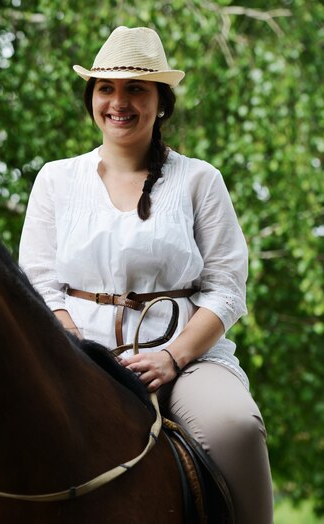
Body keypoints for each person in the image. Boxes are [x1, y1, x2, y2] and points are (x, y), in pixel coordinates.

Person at [18, 26, 273, 523]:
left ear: (161, 102)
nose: (120, 102)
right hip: (76, 356)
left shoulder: (200, 180)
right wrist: (80, 354)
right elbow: (40, 283)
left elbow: (225, 288)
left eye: (137, 88)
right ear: (91, 98)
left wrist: (171, 358)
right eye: (107, 88)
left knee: (235, 428)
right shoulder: (55, 179)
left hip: (186, 358)